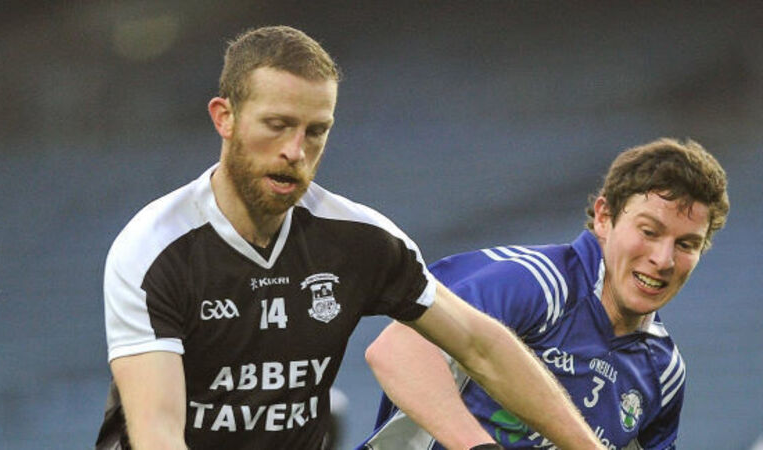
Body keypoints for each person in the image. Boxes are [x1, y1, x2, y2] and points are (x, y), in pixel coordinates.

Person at [94, 25, 605, 450]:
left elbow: (481, 346)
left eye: (316, 131)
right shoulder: (154, 250)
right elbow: (159, 433)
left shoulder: (359, 240)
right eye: (277, 125)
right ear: (223, 117)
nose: (296, 150)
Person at [360, 138, 729, 450]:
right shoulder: (534, 282)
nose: (663, 260)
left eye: (686, 244)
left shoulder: (663, 372)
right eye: (649, 232)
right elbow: (396, 350)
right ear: (604, 217)